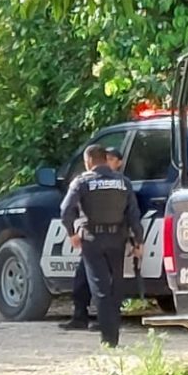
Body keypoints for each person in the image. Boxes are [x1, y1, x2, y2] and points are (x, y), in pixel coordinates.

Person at [59, 145, 143, 348]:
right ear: (106, 159)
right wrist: (138, 242)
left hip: (92, 239)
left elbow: (65, 210)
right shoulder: (123, 182)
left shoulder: (82, 182)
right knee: (116, 287)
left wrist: (72, 234)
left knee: (100, 288)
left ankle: (108, 339)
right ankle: (113, 335)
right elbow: (133, 214)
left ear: (88, 161)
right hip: (118, 239)